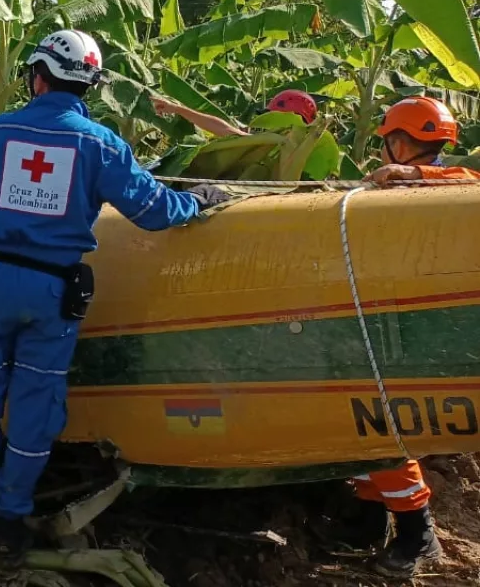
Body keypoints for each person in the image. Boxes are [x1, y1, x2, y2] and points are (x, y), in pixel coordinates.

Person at [0, 29, 226, 561]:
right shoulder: (101, 144)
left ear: (37, 77)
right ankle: (7, 514)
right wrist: (197, 200)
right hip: (51, 291)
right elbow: (153, 212)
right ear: (88, 86)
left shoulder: (0, 131)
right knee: (36, 404)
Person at [344, 96, 478, 576]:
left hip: (410, 330)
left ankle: (418, 537)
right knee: (359, 426)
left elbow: (469, 182)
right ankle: (366, 520)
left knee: (380, 427)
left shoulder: (444, 185)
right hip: (394, 323)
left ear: (398, 143)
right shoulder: (415, 185)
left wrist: (410, 175)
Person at [149, 89, 317, 137]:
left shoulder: (281, 143)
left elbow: (225, 130)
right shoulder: (269, 140)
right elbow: (227, 128)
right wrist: (177, 109)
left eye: (272, 118)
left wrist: (177, 109)